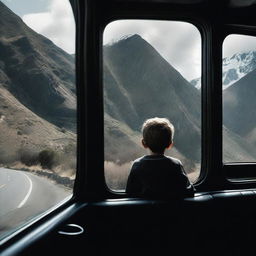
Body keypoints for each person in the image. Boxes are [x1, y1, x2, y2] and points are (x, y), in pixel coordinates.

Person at [126, 117, 194, 198]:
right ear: (170, 144)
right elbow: (186, 191)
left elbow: (130, 192)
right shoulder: (175, 164)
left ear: (143, 143)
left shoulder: (137, 165)